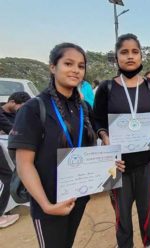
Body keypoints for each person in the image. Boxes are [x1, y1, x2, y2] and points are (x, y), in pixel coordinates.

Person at [8, 43, 97, 247]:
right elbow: (24, 164)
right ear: (52, 67)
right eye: (68, 63)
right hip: (48, 201)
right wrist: (46, 205)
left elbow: (87, 151)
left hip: (77, 197)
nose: (75, 70)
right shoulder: (33, 108)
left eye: (81, 66)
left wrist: (109, 166)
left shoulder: (83, 108)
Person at [93, 33, 150, 248]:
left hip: (148, 162)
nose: (130, 56)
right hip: (117, 164)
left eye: (134, 51)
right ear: (116, 57)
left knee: (147, 210)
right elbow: (97, 120)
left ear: (141, 56)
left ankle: (149, 244)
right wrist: (104, 136)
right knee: (121, 214)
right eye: (124, 52)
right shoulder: (106, 88)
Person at [0, 91, 31, 228]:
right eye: (20, 107)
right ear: (12, 102)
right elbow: (10, 129)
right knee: (7, 177)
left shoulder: (16, 113)